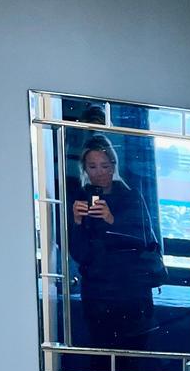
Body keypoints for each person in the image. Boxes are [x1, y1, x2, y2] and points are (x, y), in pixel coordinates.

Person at [68, 136, 166, 351]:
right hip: (98, 294)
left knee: (134, 356)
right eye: (92, 166)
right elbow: (79, 254)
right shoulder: (80, 200)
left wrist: (113, 220)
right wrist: (76, 222)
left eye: (104, 165)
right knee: (100, 355)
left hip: (132, 292)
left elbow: (144, 241)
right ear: (84, 168)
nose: (99, 172)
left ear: (113, 166)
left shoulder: (131, 197)